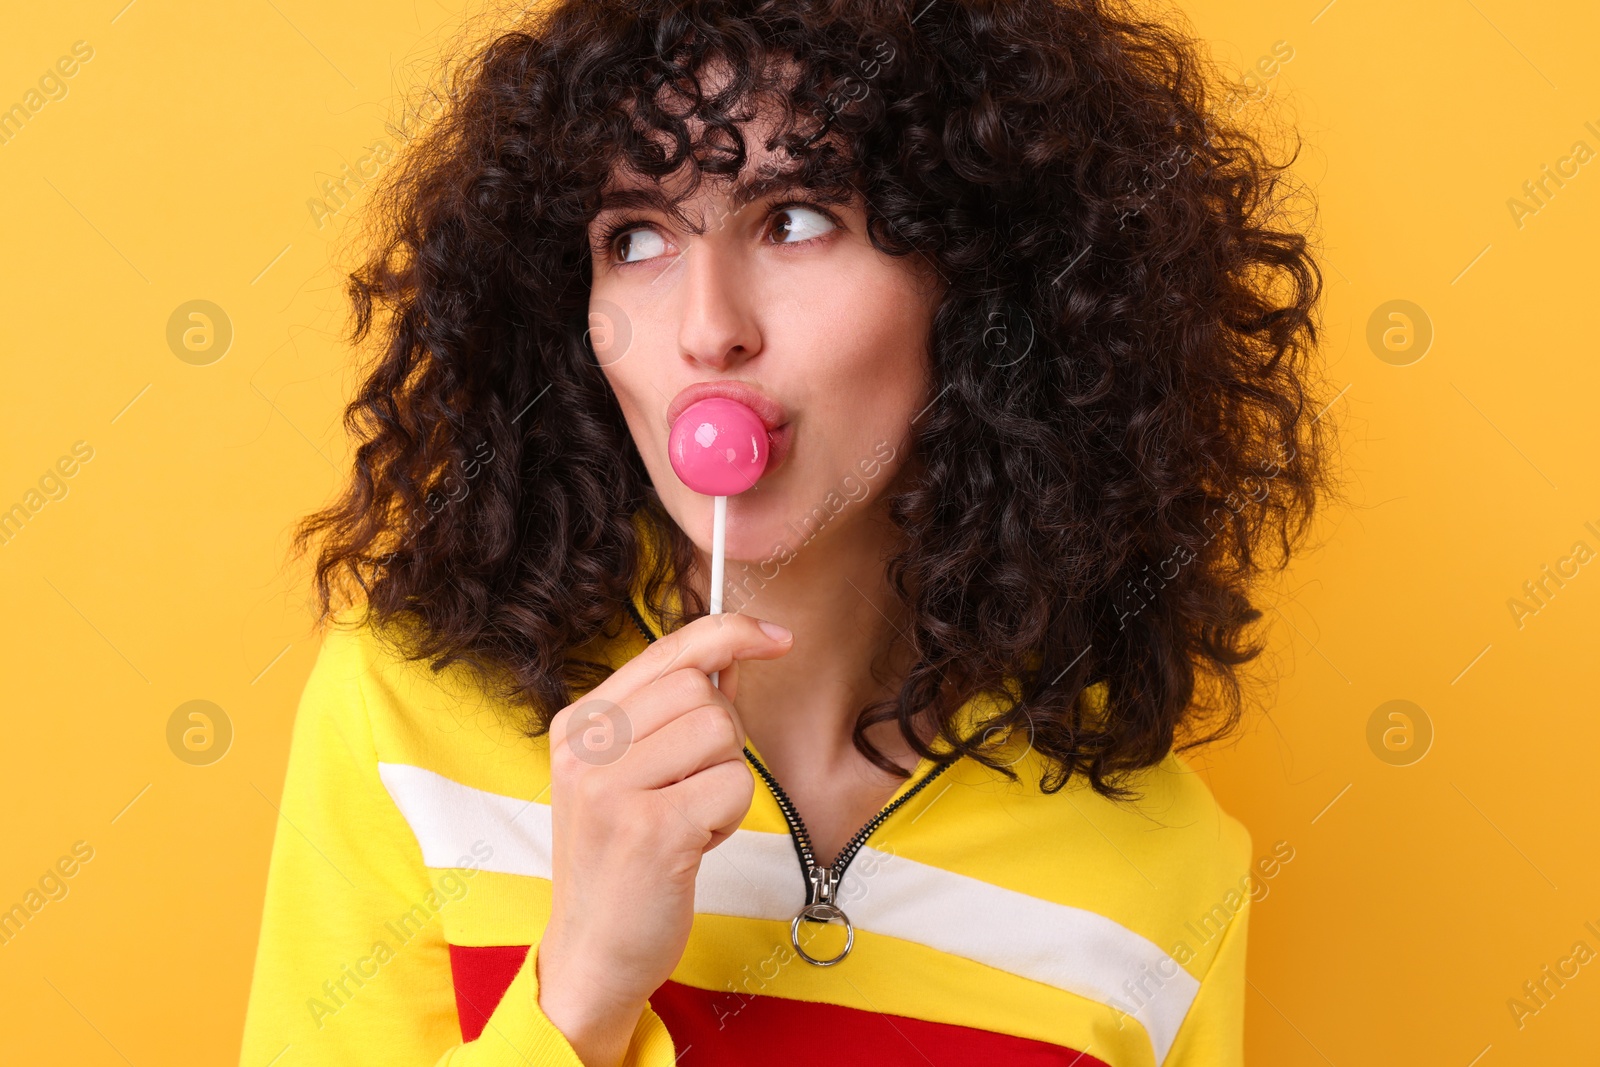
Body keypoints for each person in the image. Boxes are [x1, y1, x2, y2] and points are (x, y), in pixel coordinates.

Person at [238, 0, 1330, 1064]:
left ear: (984, 286)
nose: (709, 328)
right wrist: (577, 990)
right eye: (637, 238)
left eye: (796, 219)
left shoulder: (1162, 873)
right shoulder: (406, 720)